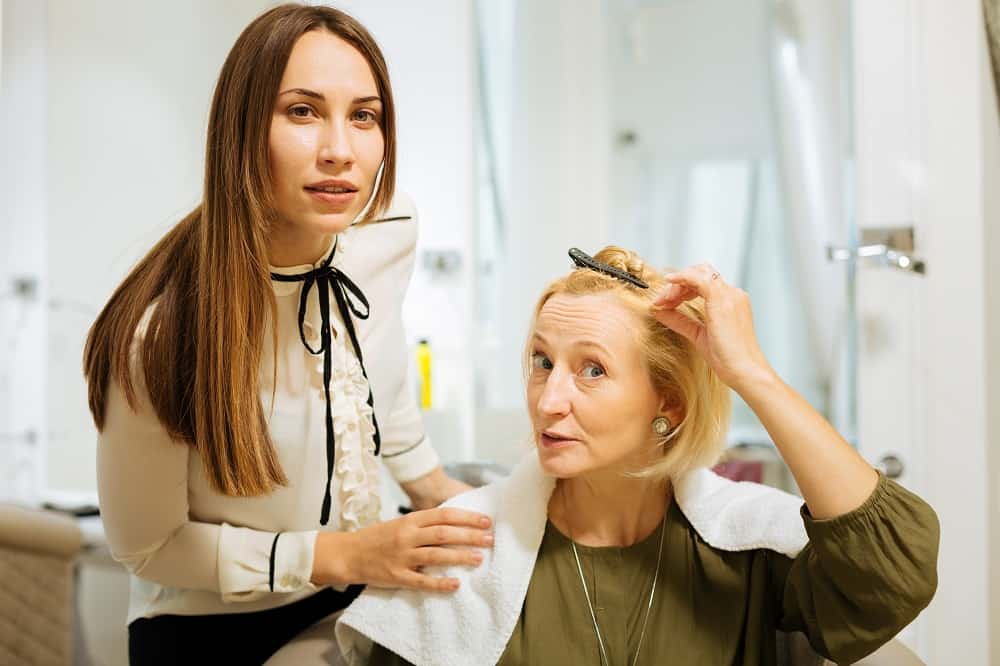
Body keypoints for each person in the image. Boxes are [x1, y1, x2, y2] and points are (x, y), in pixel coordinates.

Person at [82, 5, 493, 664]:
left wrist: (439, 491)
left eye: (364, 115)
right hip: (207, 628)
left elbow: (378, 381)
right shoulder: (159, 335)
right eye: (302, 112)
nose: (340, 149)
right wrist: (338, 554)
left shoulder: (387, 231)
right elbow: (148, 545)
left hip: (355, 592)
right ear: (241, 131)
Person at [338, 246, 940, 666]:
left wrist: (751, 373)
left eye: (592, 370)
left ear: (668, 406)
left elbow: (892, 577)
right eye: (543, 362)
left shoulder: (747, 553)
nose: (549, 400)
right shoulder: (463, 554)